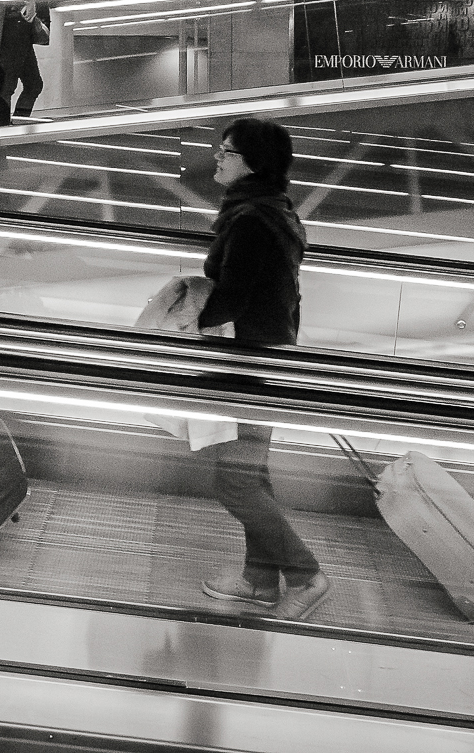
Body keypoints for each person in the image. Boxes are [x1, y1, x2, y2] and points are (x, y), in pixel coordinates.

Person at [196, 117, 330, 622]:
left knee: (235, 483)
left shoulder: (251, 219)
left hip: (251, 364)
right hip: (268, 356)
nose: (218, 157)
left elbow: (233, 295)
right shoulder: (271, 211)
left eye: (227, 151)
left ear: (252, 162)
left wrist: (185, 315)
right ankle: (257, 580)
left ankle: (306, 575)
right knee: (253, 476)